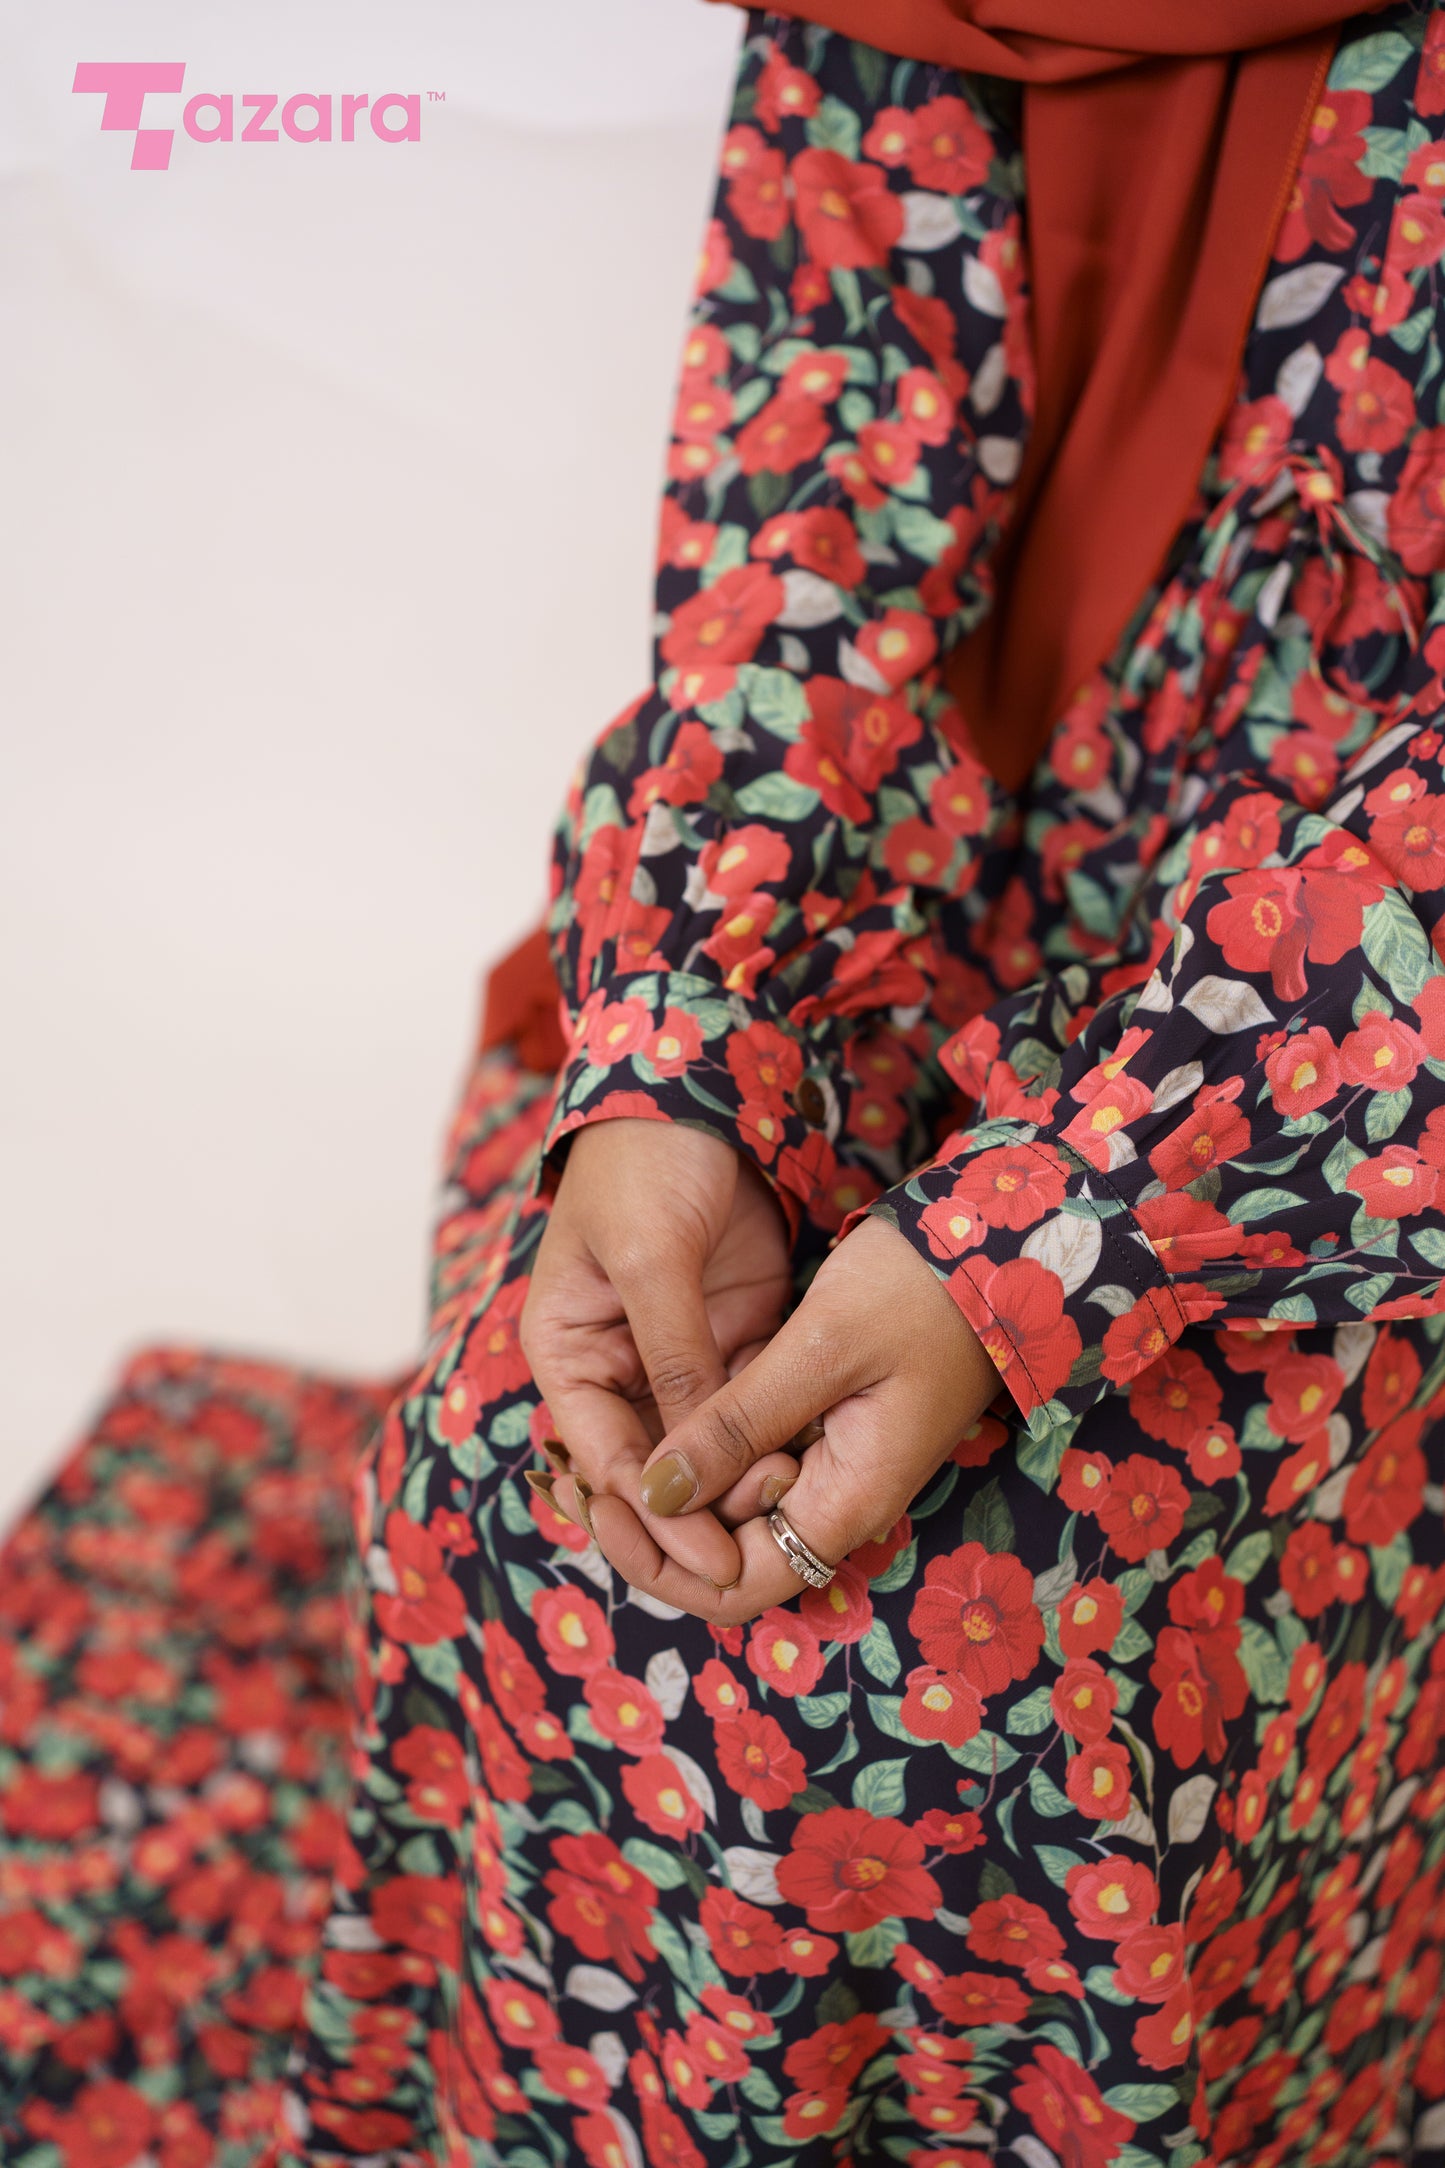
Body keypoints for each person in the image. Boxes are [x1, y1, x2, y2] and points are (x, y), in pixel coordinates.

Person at [3, 6, 1445, 2166]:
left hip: (1358, 1088)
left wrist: (1041, 1243)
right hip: (950, 880)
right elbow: (816, 527)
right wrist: (678, 1060)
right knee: (527, 1437)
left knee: (1002, 1630)